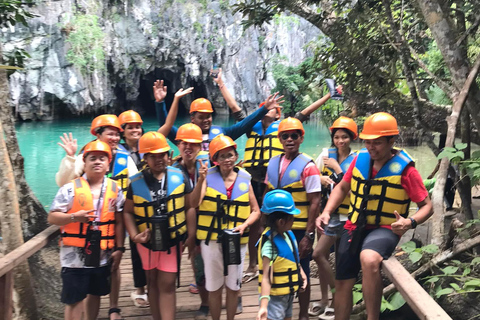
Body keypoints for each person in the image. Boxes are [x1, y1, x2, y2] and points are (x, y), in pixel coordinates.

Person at [317, 112, 433, 320]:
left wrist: (410, 222)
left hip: (385, 228)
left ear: (391, 141)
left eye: (377, 143)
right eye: (368, 142)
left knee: (369, 258)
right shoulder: (360, 160)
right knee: (343, 280)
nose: (371, 147)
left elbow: (427, 206)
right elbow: (342, 187)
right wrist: (326, 212)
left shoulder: (406, 170)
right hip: (354, 225)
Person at [242, 84, 343, 284]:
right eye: (267, 108)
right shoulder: (253, 127)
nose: (289, 138)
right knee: (259, 231)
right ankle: (255, 267)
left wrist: (328, 96)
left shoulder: (290, 128)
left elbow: (306, 112)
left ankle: (300, 302)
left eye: (274, 109)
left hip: (290, 193)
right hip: (261, 180)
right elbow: (239, 116)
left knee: (298, 260)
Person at [56, 114, 138, 320]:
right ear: (98, 134)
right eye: (110, 134)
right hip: (82, 228)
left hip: (112, 217)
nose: (115, 138)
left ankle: (113, 307)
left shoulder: (124, 157)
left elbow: (136, 183)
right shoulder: (86, 156)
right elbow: (65, 183)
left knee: (112, 265)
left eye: (117, 135)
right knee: (80, 285)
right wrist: (70, 159)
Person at [48, 140, 125, 320]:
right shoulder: (69, 189)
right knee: (74, 299)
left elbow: (119, 221)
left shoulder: (116, 190)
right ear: (85, 163)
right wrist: (74, 217)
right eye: (92, 158)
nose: (97, 162)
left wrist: (120, 248)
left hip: (102, 253)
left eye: (101, 159)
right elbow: (52, 217)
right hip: (73, 256)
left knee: (95, 293)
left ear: (108, 165)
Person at [123, 131, 192, 320]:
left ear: (168, 155)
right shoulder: (136, 182)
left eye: (162, 154)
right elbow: (128, 211)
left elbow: (189, 207)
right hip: (147, 241)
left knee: (168, 283)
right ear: (145, 158)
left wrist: (190, 236)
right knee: (152, 281)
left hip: (172, 241)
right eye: (152, 156)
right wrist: (134, 236)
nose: (158, 159)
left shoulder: (180, 176)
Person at [191, 134, 261, 320]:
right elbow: (194, 203)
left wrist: (245, 225)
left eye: (230, 155)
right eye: (222, 156)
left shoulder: (244, 178)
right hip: (212, 240)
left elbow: (255, 211)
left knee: (233, 286)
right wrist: (200, 180)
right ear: (215, 159)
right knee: (214, 286)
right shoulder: (207, 177)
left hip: (236, 239)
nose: (227, 160)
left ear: (236, 156)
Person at [264, 117, 322, 320]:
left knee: (302, 269)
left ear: (301, 138)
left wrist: (309, 234)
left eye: (294, 136)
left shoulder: (309, 167)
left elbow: (315, 201)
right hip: (275, 227)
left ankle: (303, 314)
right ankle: (274, 310)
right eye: (285, 136)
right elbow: (267, 193)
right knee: (275, 266)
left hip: (298, 228)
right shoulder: (273, 163)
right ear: (280, 139)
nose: (290, 139)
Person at [309, 116, 358, 319]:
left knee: (339, 260)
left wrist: (338, 170)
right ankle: (324, 299)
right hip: (328, 215)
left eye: (344, 137)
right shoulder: (325, 155)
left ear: (351, 138)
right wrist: (320, 177)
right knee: (320, 255)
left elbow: (352, 191)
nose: (340, 141)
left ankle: (337, 301)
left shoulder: (357, 159)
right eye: (337, 137)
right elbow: (312, 176)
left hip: (348, 217)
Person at [153, 79, 282, 150]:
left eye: (208, 116)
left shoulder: (223, 133)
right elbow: (166, 126)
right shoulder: (184, 137)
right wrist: (160, 103)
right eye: (201, 117)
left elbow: (245, 123)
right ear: (192, 119)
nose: (206, 120)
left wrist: (264, 109)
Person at [172, 123, 211, 320]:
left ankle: (231, 297)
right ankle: (204, 303)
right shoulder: (174, 169)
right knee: (196, 266)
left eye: (193, 144)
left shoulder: (207, 166)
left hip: (210, 224)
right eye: (184, 143)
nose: (188, 148)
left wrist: (203, 179)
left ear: (200, 146)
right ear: (178, 144)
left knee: (212, 265)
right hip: (186, 226)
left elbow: (197, 201)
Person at [256, 190, 307, 320]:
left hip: (288, 295)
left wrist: (301, 274)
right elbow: (266, 277)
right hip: (274, 298)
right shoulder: (270, 244)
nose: (293, 220)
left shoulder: (288, 235)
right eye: (291, 218)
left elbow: (293, 259)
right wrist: (263, 305)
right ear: (281, 222)